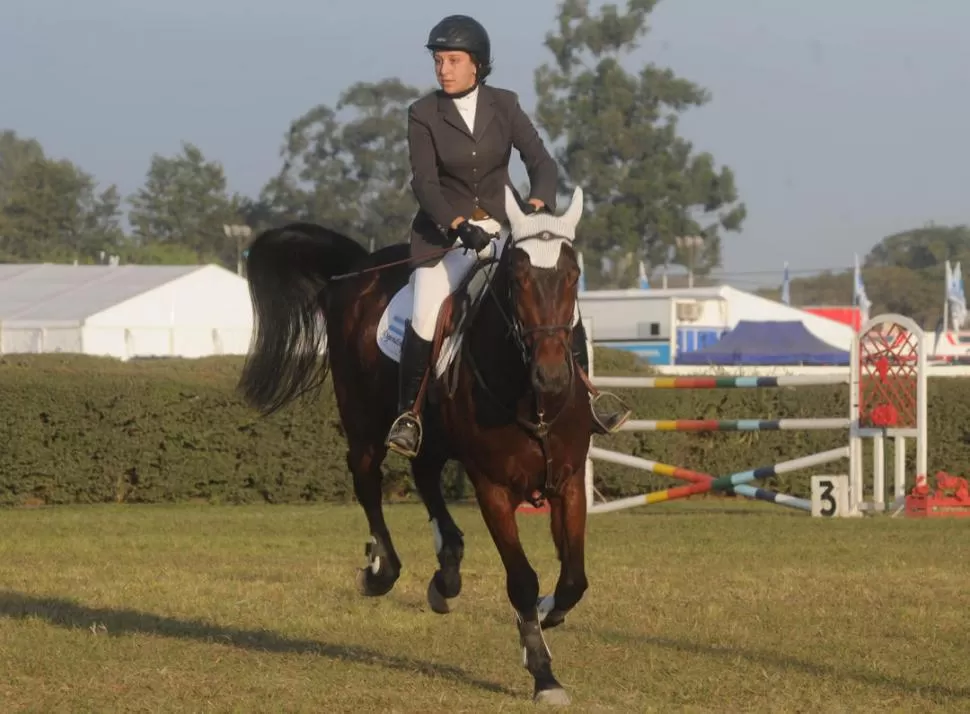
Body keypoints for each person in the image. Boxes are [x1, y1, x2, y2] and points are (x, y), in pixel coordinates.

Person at [385, 14, 630, 458]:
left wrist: (537, 205)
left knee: (555, 301)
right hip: (449, 239)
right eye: (439, 60)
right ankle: (410, 415)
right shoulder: (422, 114)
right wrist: (458, 225)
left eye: (452, 60)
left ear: (476, 64)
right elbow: (424, 183)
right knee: (424, 309)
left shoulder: (506, 104)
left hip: (507, 229)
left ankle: (589, 400)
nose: (443, 69)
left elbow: (541, 162)